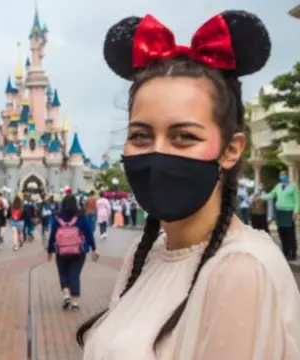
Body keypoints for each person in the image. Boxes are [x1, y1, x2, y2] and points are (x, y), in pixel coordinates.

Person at [78, 11, 300, 359]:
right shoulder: (145, 254)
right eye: (141, 135)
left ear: (230, 150)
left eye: (184, 137)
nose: (157, 153)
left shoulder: (239, 270)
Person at [47, 195, 97, 311]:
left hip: (61, 251)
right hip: (78, 251)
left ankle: (66, 295)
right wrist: (94, 247)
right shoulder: (81, 217)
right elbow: (88, 233)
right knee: (74, 274)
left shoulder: (57, 218)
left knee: (63, 273)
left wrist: (50, 251)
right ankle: (75, 302)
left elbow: (52, 236)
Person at [258, 170, 299, 260]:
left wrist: (295, 212)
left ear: (287, 176)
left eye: (284, 175)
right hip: (279, 212)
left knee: (290, 233)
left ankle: (293, 253)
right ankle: (285, 251)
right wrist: (260, 197)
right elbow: (271, 195)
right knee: (281, 232)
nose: (282, 177)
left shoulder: (293, 187)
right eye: (281, 175)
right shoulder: (278, 186)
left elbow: (297, 200)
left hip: (289, 212)